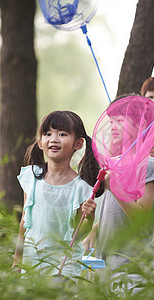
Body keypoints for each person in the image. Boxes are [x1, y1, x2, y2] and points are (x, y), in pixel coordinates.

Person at [12, 110, 104, 278]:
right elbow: (24, 222)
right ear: (40, 142)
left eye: (62, 134)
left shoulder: (81, 188)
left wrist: (89, 218)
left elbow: (77, 234)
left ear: (78, 144)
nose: (54, 139)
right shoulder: (32, 178)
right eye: (48, 134)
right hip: (32, 266)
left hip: (62, 270)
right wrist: (17, 261)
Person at [83, 95, 154, 272]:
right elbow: (115, 213)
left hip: (132, 264)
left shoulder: (147, 165)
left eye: (119, 120)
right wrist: (97, 228)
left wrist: (114, 187)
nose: (112, 126)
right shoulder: (114, 163)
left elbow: (141, 216)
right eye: (111, 122)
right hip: (105, 260)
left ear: (141, 125)